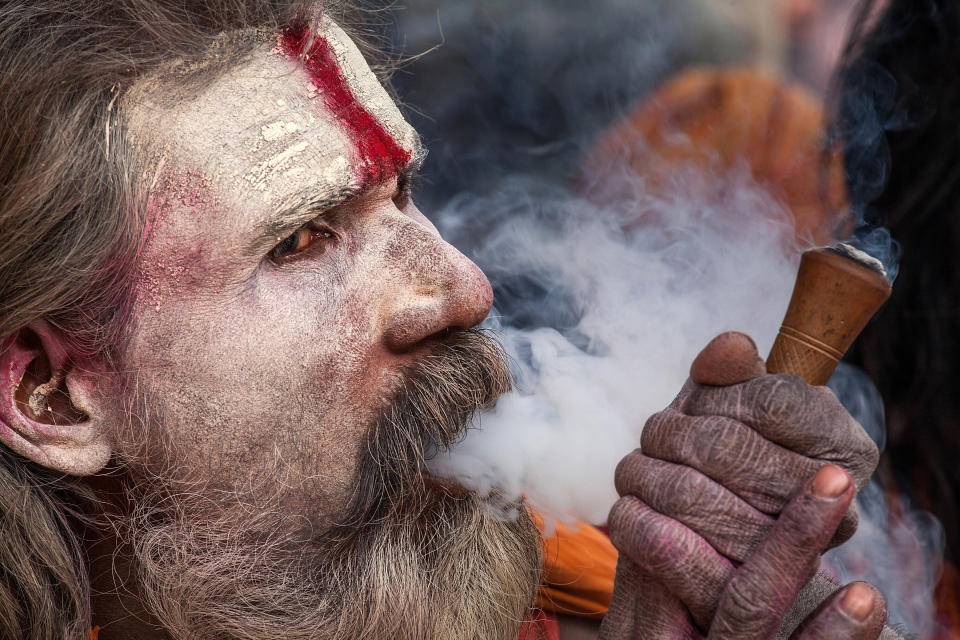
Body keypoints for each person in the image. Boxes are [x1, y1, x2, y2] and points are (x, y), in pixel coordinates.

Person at [0, 2, 899, 639]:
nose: (465, 287)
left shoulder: (611, 587)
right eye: (304, 239)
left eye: (406, 196)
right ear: (52, 395)